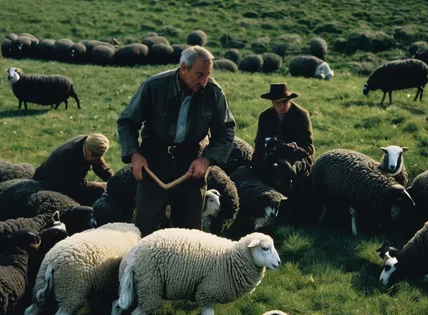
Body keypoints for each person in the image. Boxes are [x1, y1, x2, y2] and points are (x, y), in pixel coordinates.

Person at [117, 46, 236, 237]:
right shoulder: (154, 86)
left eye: (208, 75)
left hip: (191, 163)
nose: (204, 81)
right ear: (183, 68)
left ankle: (184, 266)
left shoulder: (213, 92)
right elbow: (127, 122)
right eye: (199, 75)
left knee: (189, 234)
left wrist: (207, 159)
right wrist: (135, 155)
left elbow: (226, 129)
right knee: (144, 228)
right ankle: (140, 265)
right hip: (154, 161)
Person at [250, 83, 315, 192]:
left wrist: (294, 149)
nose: (282, 106)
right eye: (277, 103)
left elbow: (309, 147)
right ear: (272, 102)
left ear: (289, 100)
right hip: (272, 154)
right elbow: (259, 142)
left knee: (289, 170)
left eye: (284, 101)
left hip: (296, 157)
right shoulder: (265, 116)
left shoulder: (301, 115)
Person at [33, 133, 113, 206]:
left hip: (68, 180)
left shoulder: (89, 144)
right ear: (88, 151)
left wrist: (115, 181)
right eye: (97, 157)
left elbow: (101, 166)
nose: (98, 160)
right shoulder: (69, 156)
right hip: (49, 182)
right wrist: (101, 185)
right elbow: (74, 184)